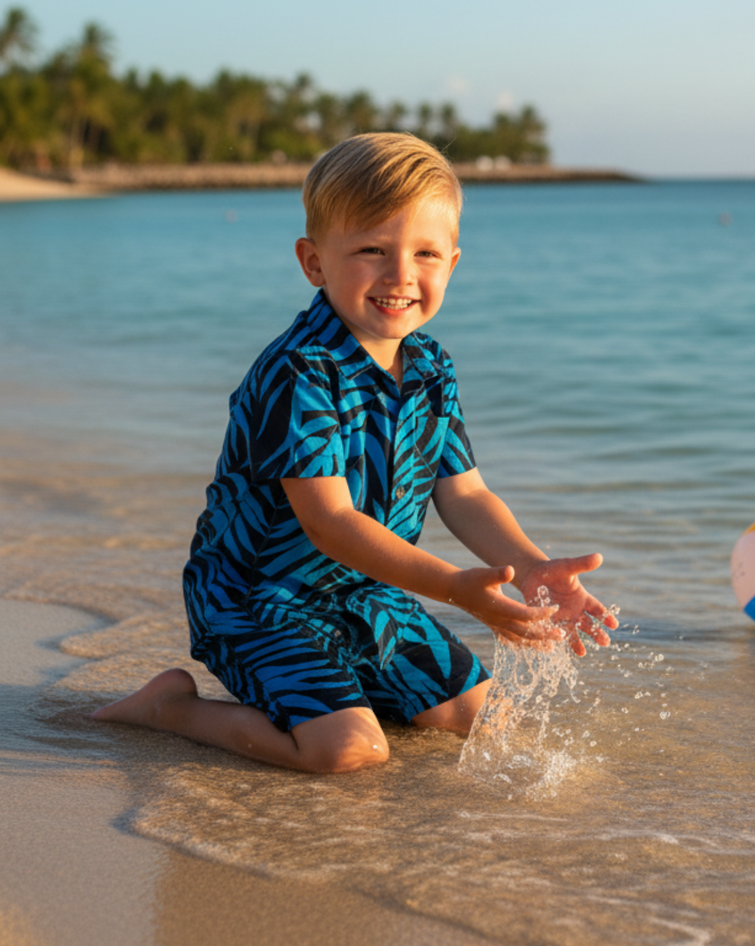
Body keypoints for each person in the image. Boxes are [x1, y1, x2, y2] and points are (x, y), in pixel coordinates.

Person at [92, 132, 617, 773]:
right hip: (259, 599)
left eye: (425, 253)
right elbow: (330, 522)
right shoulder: (300, 371)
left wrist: (531, 568)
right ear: (314, 263)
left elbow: (466, 493)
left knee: (488, 720)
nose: (401, 275)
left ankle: (354, 689)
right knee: (350, 752)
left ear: (452, 263)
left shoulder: (430, 367)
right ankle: (170, 709)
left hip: (369, 596)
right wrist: (455, 587)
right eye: (372, 250)